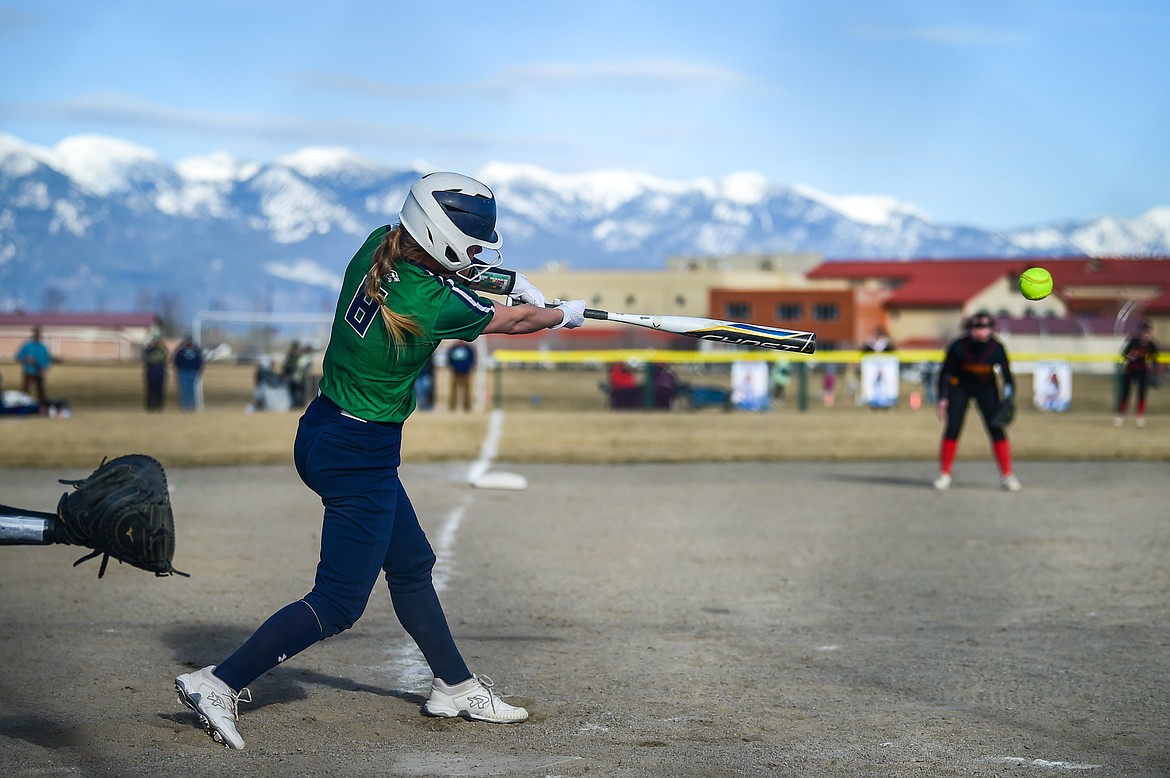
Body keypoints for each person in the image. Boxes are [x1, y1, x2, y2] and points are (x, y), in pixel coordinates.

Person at [174, 171, 586, 749]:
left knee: (412, 563)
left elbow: (465, 274)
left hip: (324, 428)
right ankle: (218, 682)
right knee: (338, 602)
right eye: (469, 244)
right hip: (358, 453)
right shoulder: (430, 300)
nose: (474, 255)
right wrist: (563, 314)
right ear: (438, 236)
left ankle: (454, 684)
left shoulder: (378, 246)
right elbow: (509, 319)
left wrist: (514, 279)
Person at [933, 311, 1020, 491]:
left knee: (996, 428)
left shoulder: (996, 348)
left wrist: (1009, 397)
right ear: (969, 329)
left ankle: (1007, 475)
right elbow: (944, 373)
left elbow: (1007, 376)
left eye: (985, 327)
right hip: (960, 387)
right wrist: (943, 397)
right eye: (976, 328)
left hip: (986, 388)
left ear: (991, 329)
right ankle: (945, 474)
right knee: (953, 428)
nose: (981, 332)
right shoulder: (958, 346)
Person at [1115, 321, 1159, 427]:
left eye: (1147, 332)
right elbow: (1124, 354)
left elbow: (1155, 358)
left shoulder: (1151, 345)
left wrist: (1152, 366)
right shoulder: (1133, 342)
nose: (1145, 335)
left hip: (1143, 371)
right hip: (1131, 369)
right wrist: (1130, 356)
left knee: (1141, 393)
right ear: (1140, 333)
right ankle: (1121, 415)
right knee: (1126, 393)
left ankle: (1140, 416)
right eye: (1144, 332)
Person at [16, 326, 52, 411]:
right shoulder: (27, 345)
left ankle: (42, 407)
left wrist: (44, 369)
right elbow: (18, 357)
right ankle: (24, 406)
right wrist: (26, 359)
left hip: (39, 372)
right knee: (26, 390)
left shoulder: (43, 347)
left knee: (41, 390)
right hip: (28, 371)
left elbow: (47, 360)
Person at [173, 336, 204, 411]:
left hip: (193, 372)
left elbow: (200, 362)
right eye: (187, 341)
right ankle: (184, 406)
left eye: (190, 341)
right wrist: (179, 370)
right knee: (184, 390)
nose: (189, 343)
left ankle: (192, 406)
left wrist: (198, 370)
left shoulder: (196, 352)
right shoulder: (180, 352)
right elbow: (176, 362)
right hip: (183, 372)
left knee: (192, 390)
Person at [446, 340, 476, 412]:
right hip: (455, 373)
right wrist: (452, 367)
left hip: (466, 373)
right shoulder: (453, 348)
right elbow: (449, 359)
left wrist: (469, 367)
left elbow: (472, 359)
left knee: (467, 391)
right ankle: (452, 407)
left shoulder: (468, 348)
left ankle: (467, 407)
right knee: (453, 391)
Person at [143, 335, 169, 411]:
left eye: (158, 342)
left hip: (160, 373)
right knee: (151, 390)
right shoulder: (149, 350)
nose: (157, 343)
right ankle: (150, 405)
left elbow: (165, 358)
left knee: (160, 390)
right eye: (155, 342)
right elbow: (147, 359)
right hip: (151, 373)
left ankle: (159, 405)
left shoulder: (162, 350)